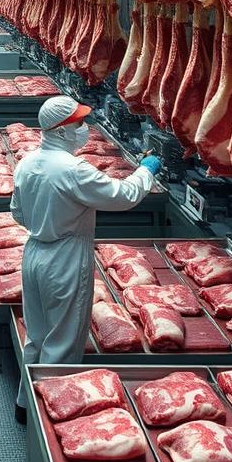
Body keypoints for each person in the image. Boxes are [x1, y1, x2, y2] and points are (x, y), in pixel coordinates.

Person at [11, 95, 161, 424]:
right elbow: (124, 196)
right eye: (79, 123)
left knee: (37, 335)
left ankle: (26, 404)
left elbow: (18, 214)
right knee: (63, 342)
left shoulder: (27, 163)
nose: (84, 129)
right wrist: (146, 172)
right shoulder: (73, 169)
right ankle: (49, 424)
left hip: (34, 252)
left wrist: (47, 221)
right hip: (65, 259)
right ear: (62, 131)